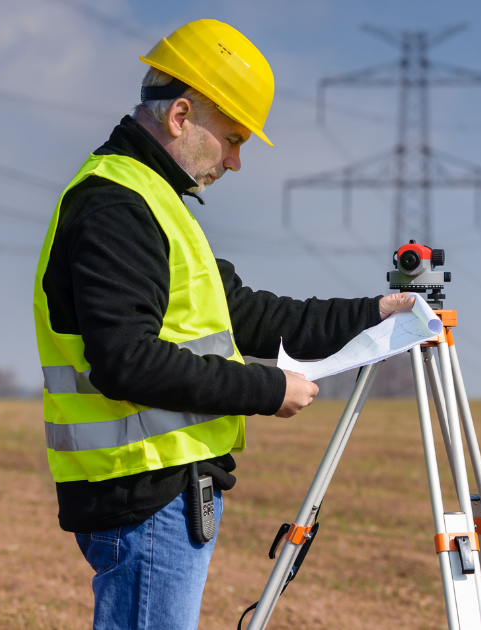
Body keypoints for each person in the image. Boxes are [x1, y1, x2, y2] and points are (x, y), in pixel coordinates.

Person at [32, 20, 414, 629]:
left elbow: (252, 316)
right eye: (233, 138)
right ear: (180, 115)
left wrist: (374, 313)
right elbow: (127, 361)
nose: (236, 161)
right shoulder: (117, 206)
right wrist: (266, 389)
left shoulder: (156, 202)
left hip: (161, 488)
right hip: (144, 490)